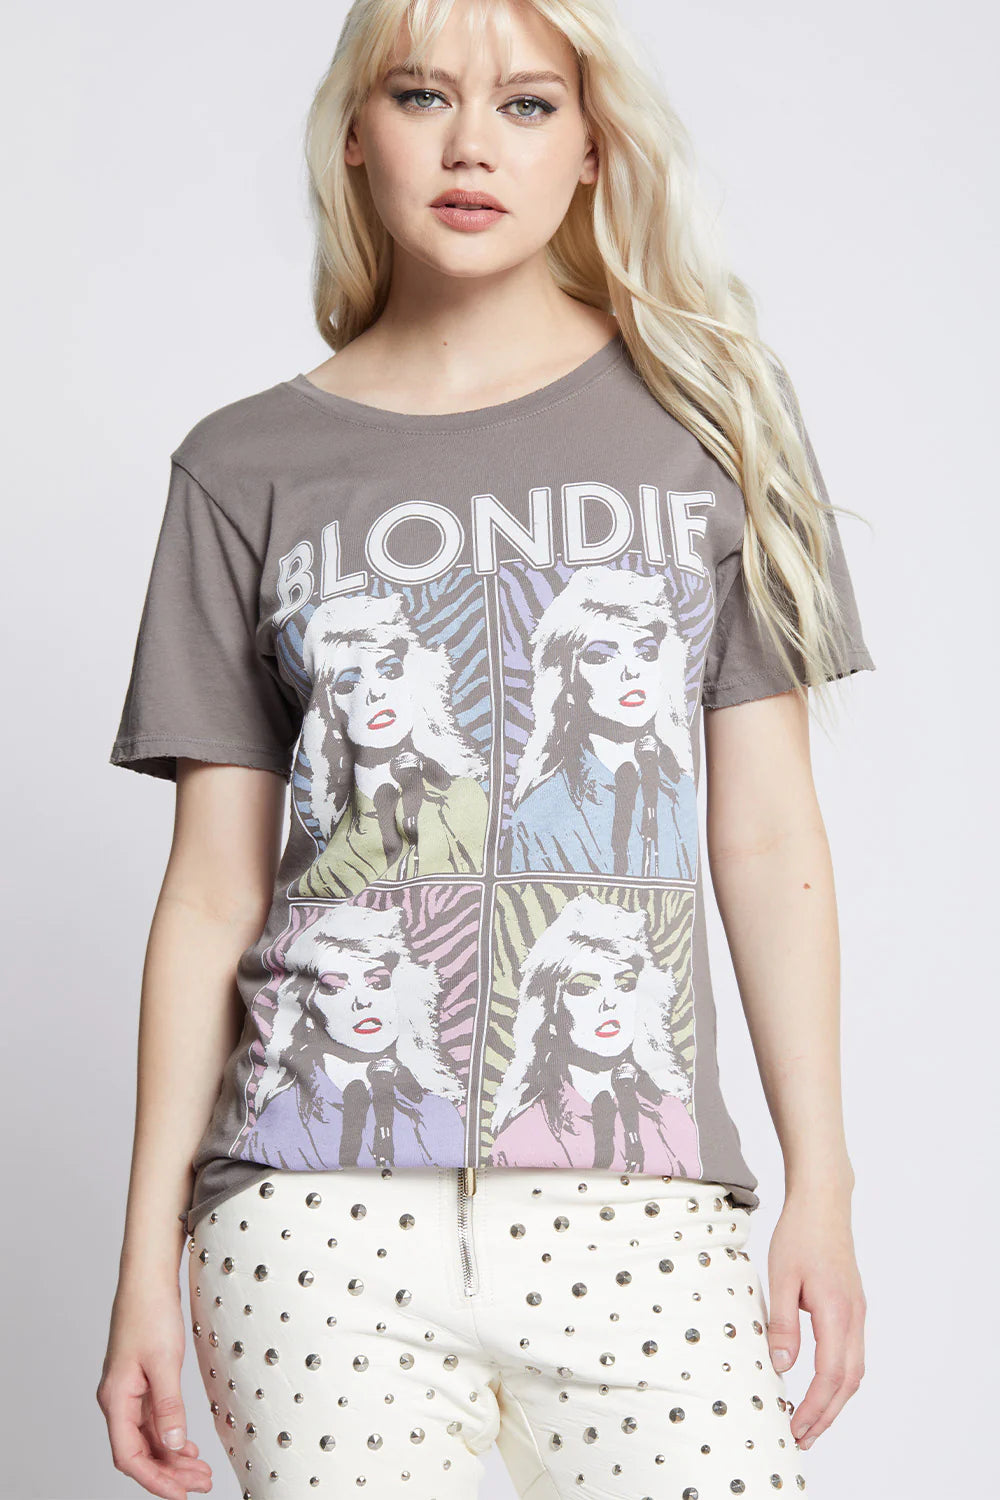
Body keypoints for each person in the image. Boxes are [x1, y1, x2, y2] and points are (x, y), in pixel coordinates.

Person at [97, 2, 874, 1497]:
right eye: (420, 96)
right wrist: (143, 1262)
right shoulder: (242, 467)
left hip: (638, 1205)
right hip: (312, 1225)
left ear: (592, 147)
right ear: (355, 135)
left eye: (525, 104)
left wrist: (822, 1188)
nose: (470, 145)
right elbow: (209, 894)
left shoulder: (714, 427)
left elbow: (771, 837)